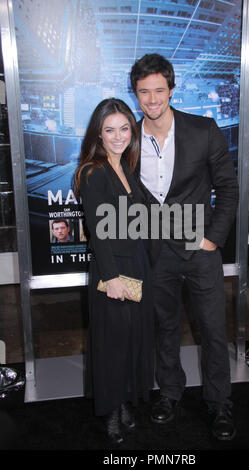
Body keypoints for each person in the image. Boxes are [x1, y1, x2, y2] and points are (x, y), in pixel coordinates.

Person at [130, 54, 239, 441]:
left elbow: (227, 188)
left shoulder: (203, 130)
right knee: (164, 327)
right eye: (144, 92)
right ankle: (170, 392)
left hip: (199, 247)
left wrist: (214, 239)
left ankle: (219, 403)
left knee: (211, 329)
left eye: (159, 90)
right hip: (154, 250)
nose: (152, 99)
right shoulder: (128, 137)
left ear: (171, 90)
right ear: (136, 94)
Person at [74, 98, 154, 445]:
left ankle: (123, 404)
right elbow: (97, 232)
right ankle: (110, 412)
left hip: (137, 264)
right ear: (99, 134)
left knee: (132, 341)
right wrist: (111, 279)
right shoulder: (94, 173)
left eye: (124, 128)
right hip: (114, 270)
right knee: (112, 345)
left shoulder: (128, 169)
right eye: (110, 130)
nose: (119, 136)